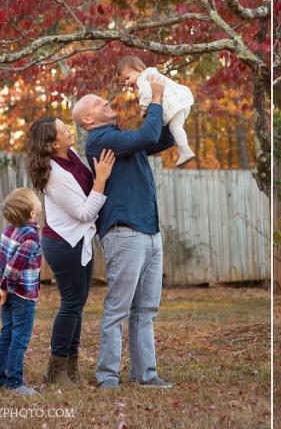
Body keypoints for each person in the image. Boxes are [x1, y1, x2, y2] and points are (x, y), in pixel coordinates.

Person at [72, 75, 174, 389]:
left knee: (146, 309)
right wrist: (155, 97)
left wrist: (170, 103)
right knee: (119, 307)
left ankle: (146, 375)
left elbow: (161, 138)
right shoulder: (100, 141)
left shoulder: (121, 139)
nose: (106, 101)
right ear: (89, 119)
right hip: (124, 232)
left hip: (149, 231)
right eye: (98, 102)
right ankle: (107, 377)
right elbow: (147, 135)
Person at [26, 117, 116, 386]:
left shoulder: (72, 154)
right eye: (63, 130)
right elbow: (85, 212)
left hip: (79, 241)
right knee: (71, 304)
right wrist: (101, 179)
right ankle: (56, 370)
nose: (68, 129)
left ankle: (72, 367)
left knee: (77, 304)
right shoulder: (54, 175)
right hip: (64, 245)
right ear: (54, 145)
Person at [0, 188, 43, 396]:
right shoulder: (31, 237)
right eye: (36, 199)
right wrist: (4, 288)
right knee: (19, 338)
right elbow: (15, 267)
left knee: (6, 335)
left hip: (8, 292)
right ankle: (14, 383)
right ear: (31, 213)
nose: (39, 200)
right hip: (22, 296)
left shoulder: (9, 230)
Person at [117, 55, 195, 167]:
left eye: (128, 78)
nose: (127, 83)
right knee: (176, 127)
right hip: (180, 101)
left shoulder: (143, 78)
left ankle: (185, 150)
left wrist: (143, 108)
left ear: (139, 69)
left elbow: (147, 94)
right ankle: (184, 150)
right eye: (124, 81)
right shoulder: (151, 74)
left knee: (175, 127)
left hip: (174, 103)